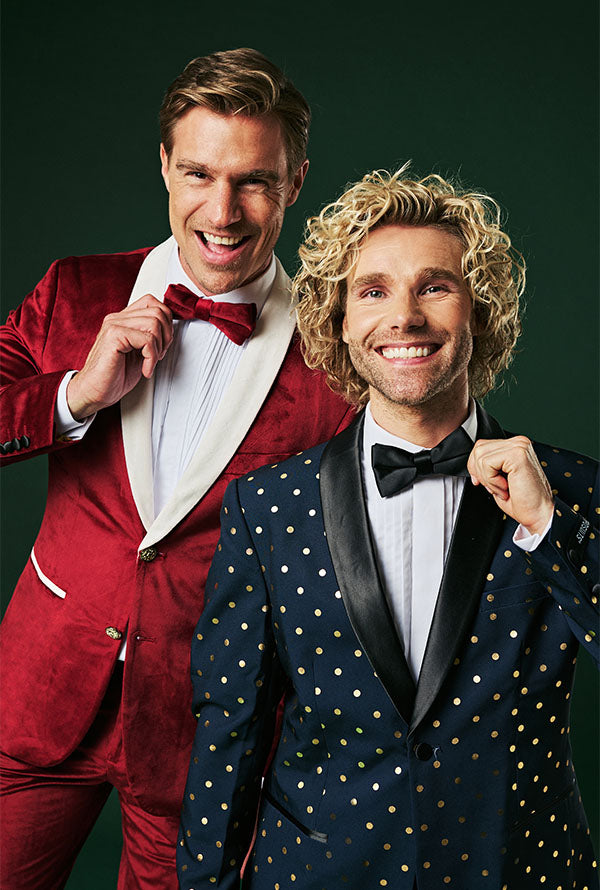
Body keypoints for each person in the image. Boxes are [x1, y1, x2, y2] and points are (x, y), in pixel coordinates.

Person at [177, 168, 599, 889]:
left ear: (482, 311)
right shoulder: (266, 507)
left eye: (435, 286)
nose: (403, 317)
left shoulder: (573, 492)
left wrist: (548, 526)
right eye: (372, 291)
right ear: (339, 320)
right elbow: (229, 733)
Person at [0, 48, 354, 889]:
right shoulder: (77, 290)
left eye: (255, 181)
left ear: (296, 181)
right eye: (198, 171)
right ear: (164, 164)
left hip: (207, 739)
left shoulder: (334, 354)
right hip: (42, 691)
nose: (222, 210)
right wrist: (76, 395)